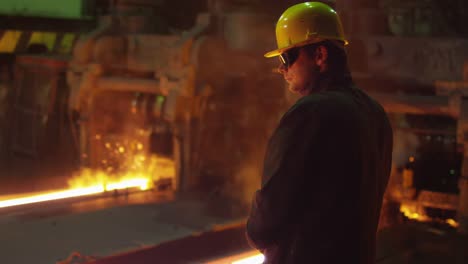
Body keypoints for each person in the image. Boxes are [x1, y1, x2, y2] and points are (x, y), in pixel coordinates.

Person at [246, 2, 393, 264]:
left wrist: (257, 234)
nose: (282, 69)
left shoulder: (310, 113)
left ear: (320, 55)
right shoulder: (375, 113)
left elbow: (273, 206)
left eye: (287, 58)